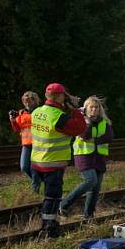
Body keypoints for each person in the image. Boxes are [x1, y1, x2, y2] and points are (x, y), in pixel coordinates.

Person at [31, 83, 87, 236]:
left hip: (37, 161)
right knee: (53, 197)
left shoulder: (37, 112)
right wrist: (75, 110)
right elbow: (79, 128)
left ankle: (50, 223)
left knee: (49, 196)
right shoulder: (57, 116)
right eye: (64, 94)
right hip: (52, 163)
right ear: (58, 96)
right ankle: (49, 228)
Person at [59, 96, 113, 219]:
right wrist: (88, 122)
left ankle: (88, 216)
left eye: (97, 107)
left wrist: (94, 139)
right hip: (83, 156)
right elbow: (85, 135)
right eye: (91, 107)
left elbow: (109, 137)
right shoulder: (80, 121)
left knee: (95, 189)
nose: (94, 110)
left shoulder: (104, 122)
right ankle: (64, 204)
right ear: (86, 109)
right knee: (90, 181)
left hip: (99, 158)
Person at [9, 91, 41, 189]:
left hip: (38, 143)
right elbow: (17, 129)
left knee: (34, 168)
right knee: (24, 167)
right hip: (26, 144)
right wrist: (13, 120)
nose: (27, 102)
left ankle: (35, 190)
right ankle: (38, 180)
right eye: (25, 101)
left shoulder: (40, 111)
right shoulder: (21, 113)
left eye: (29, 100)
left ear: (35, 101)